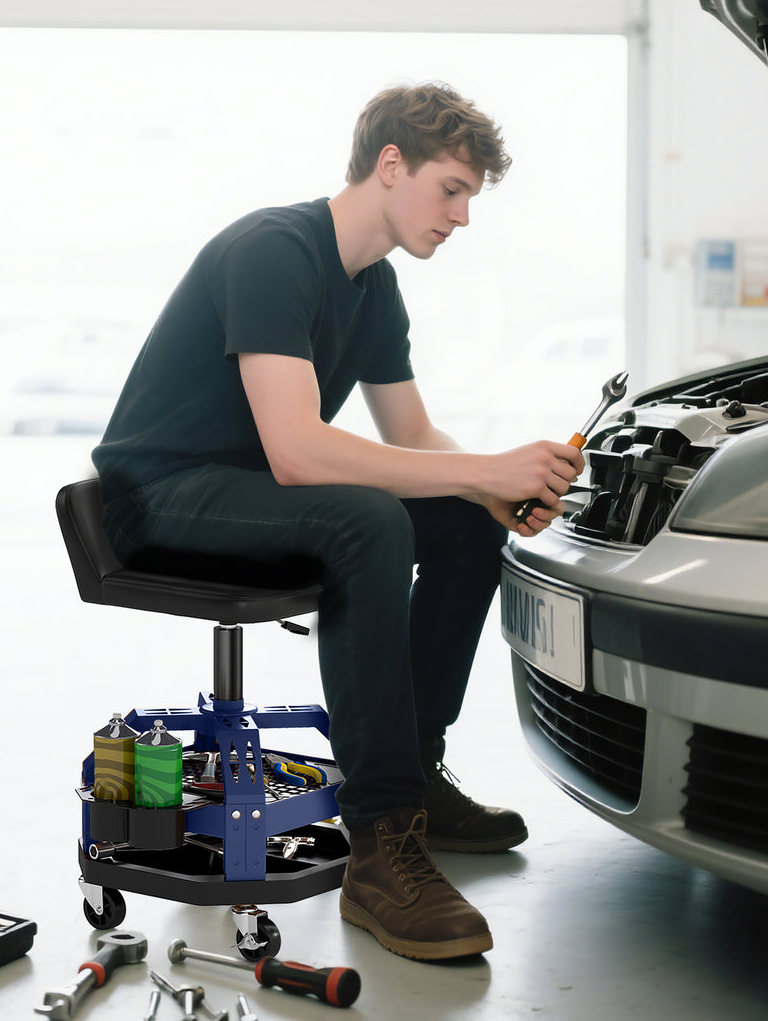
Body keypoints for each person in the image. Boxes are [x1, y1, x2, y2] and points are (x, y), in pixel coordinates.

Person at [92, 81, 584, 961]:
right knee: (368, 522)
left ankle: (415, 770)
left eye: (472, 196)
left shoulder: (376, 287)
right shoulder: (275, 250)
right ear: (391, 165)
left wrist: (495, 489)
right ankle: (381, 840)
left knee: (467, 524)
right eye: (453, 189)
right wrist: (482, 472)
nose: (464, 216)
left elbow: (414, 436)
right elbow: (298, 453)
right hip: (157, 494)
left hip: (248, 491)